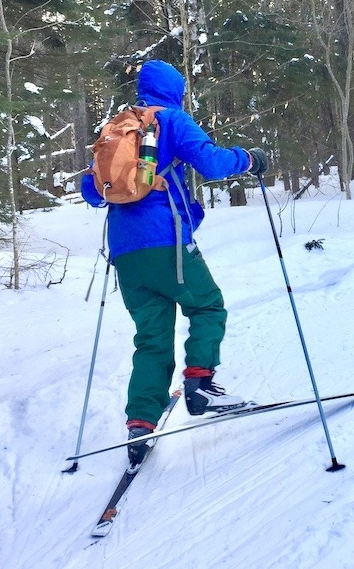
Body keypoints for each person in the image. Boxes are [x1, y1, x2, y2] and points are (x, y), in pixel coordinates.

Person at [81, 59, 269, 466]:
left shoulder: (117, 129)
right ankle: (200, 384)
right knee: (207, 305)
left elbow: (91, 190)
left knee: (151, 336)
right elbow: (214, 164)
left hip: (125, 252)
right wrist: (250, 159)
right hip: (166, 240)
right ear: (176, 91)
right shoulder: (172, 120)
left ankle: (140, 424)